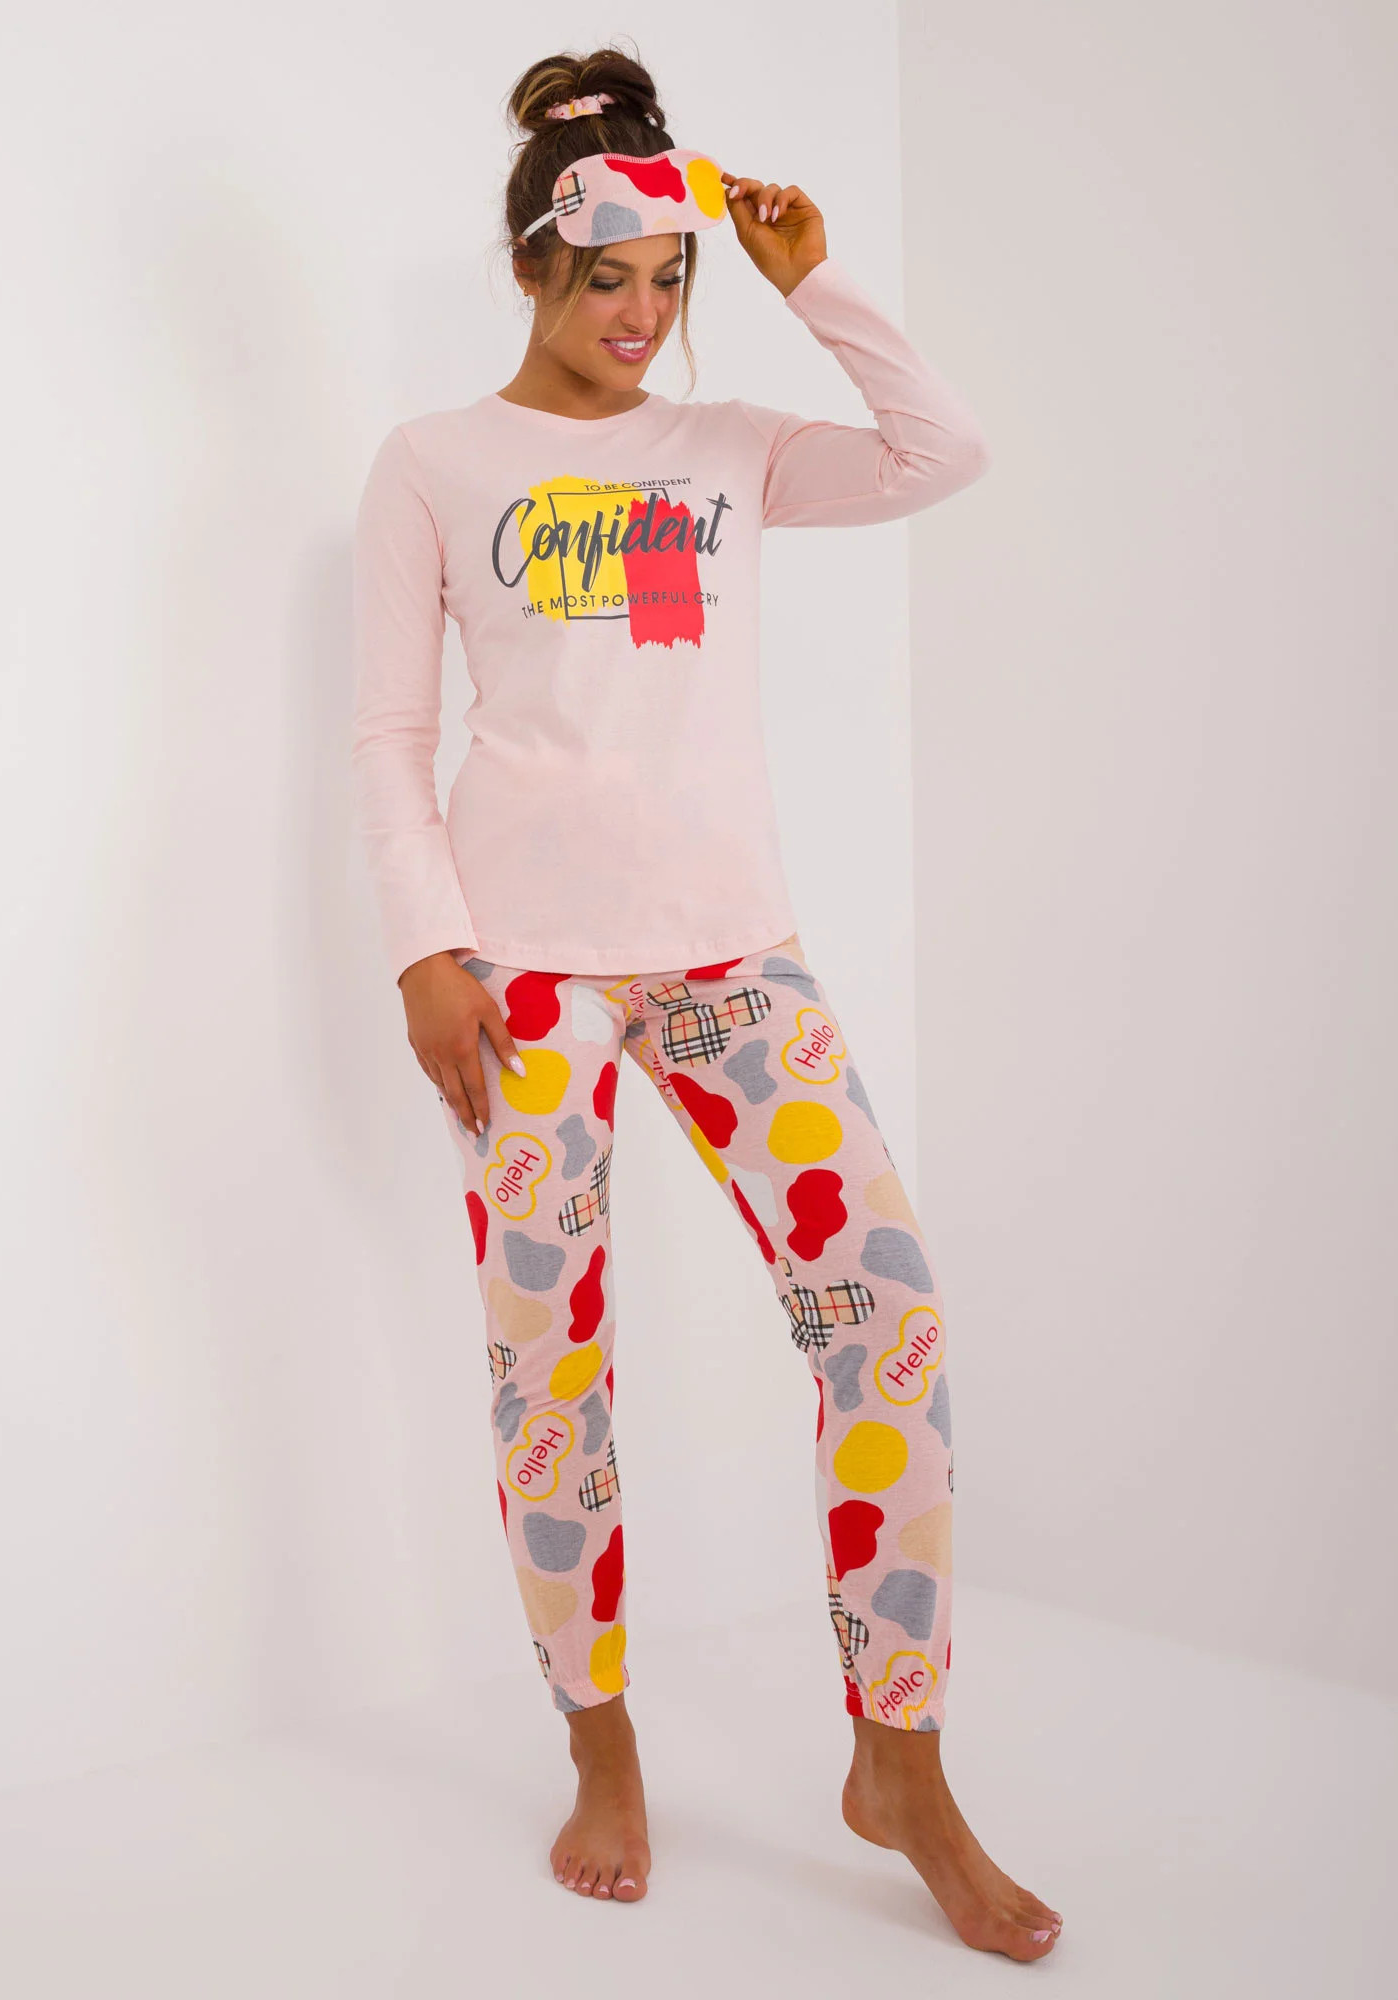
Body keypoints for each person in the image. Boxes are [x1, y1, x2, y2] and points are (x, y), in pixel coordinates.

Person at [351, 45, 1062, 1963]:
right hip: (523, 975)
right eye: (609, 281)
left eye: (670, 283)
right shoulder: (435, 463)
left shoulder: (731, 445)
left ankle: (897, 1760)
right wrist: (425, 952)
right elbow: (390, 732)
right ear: (532, 264)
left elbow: (943, 454)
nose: (642, 318)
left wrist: (814, 282)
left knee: (886, 1313)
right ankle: (601, 1744)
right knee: (550, 1368)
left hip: (731, 953)